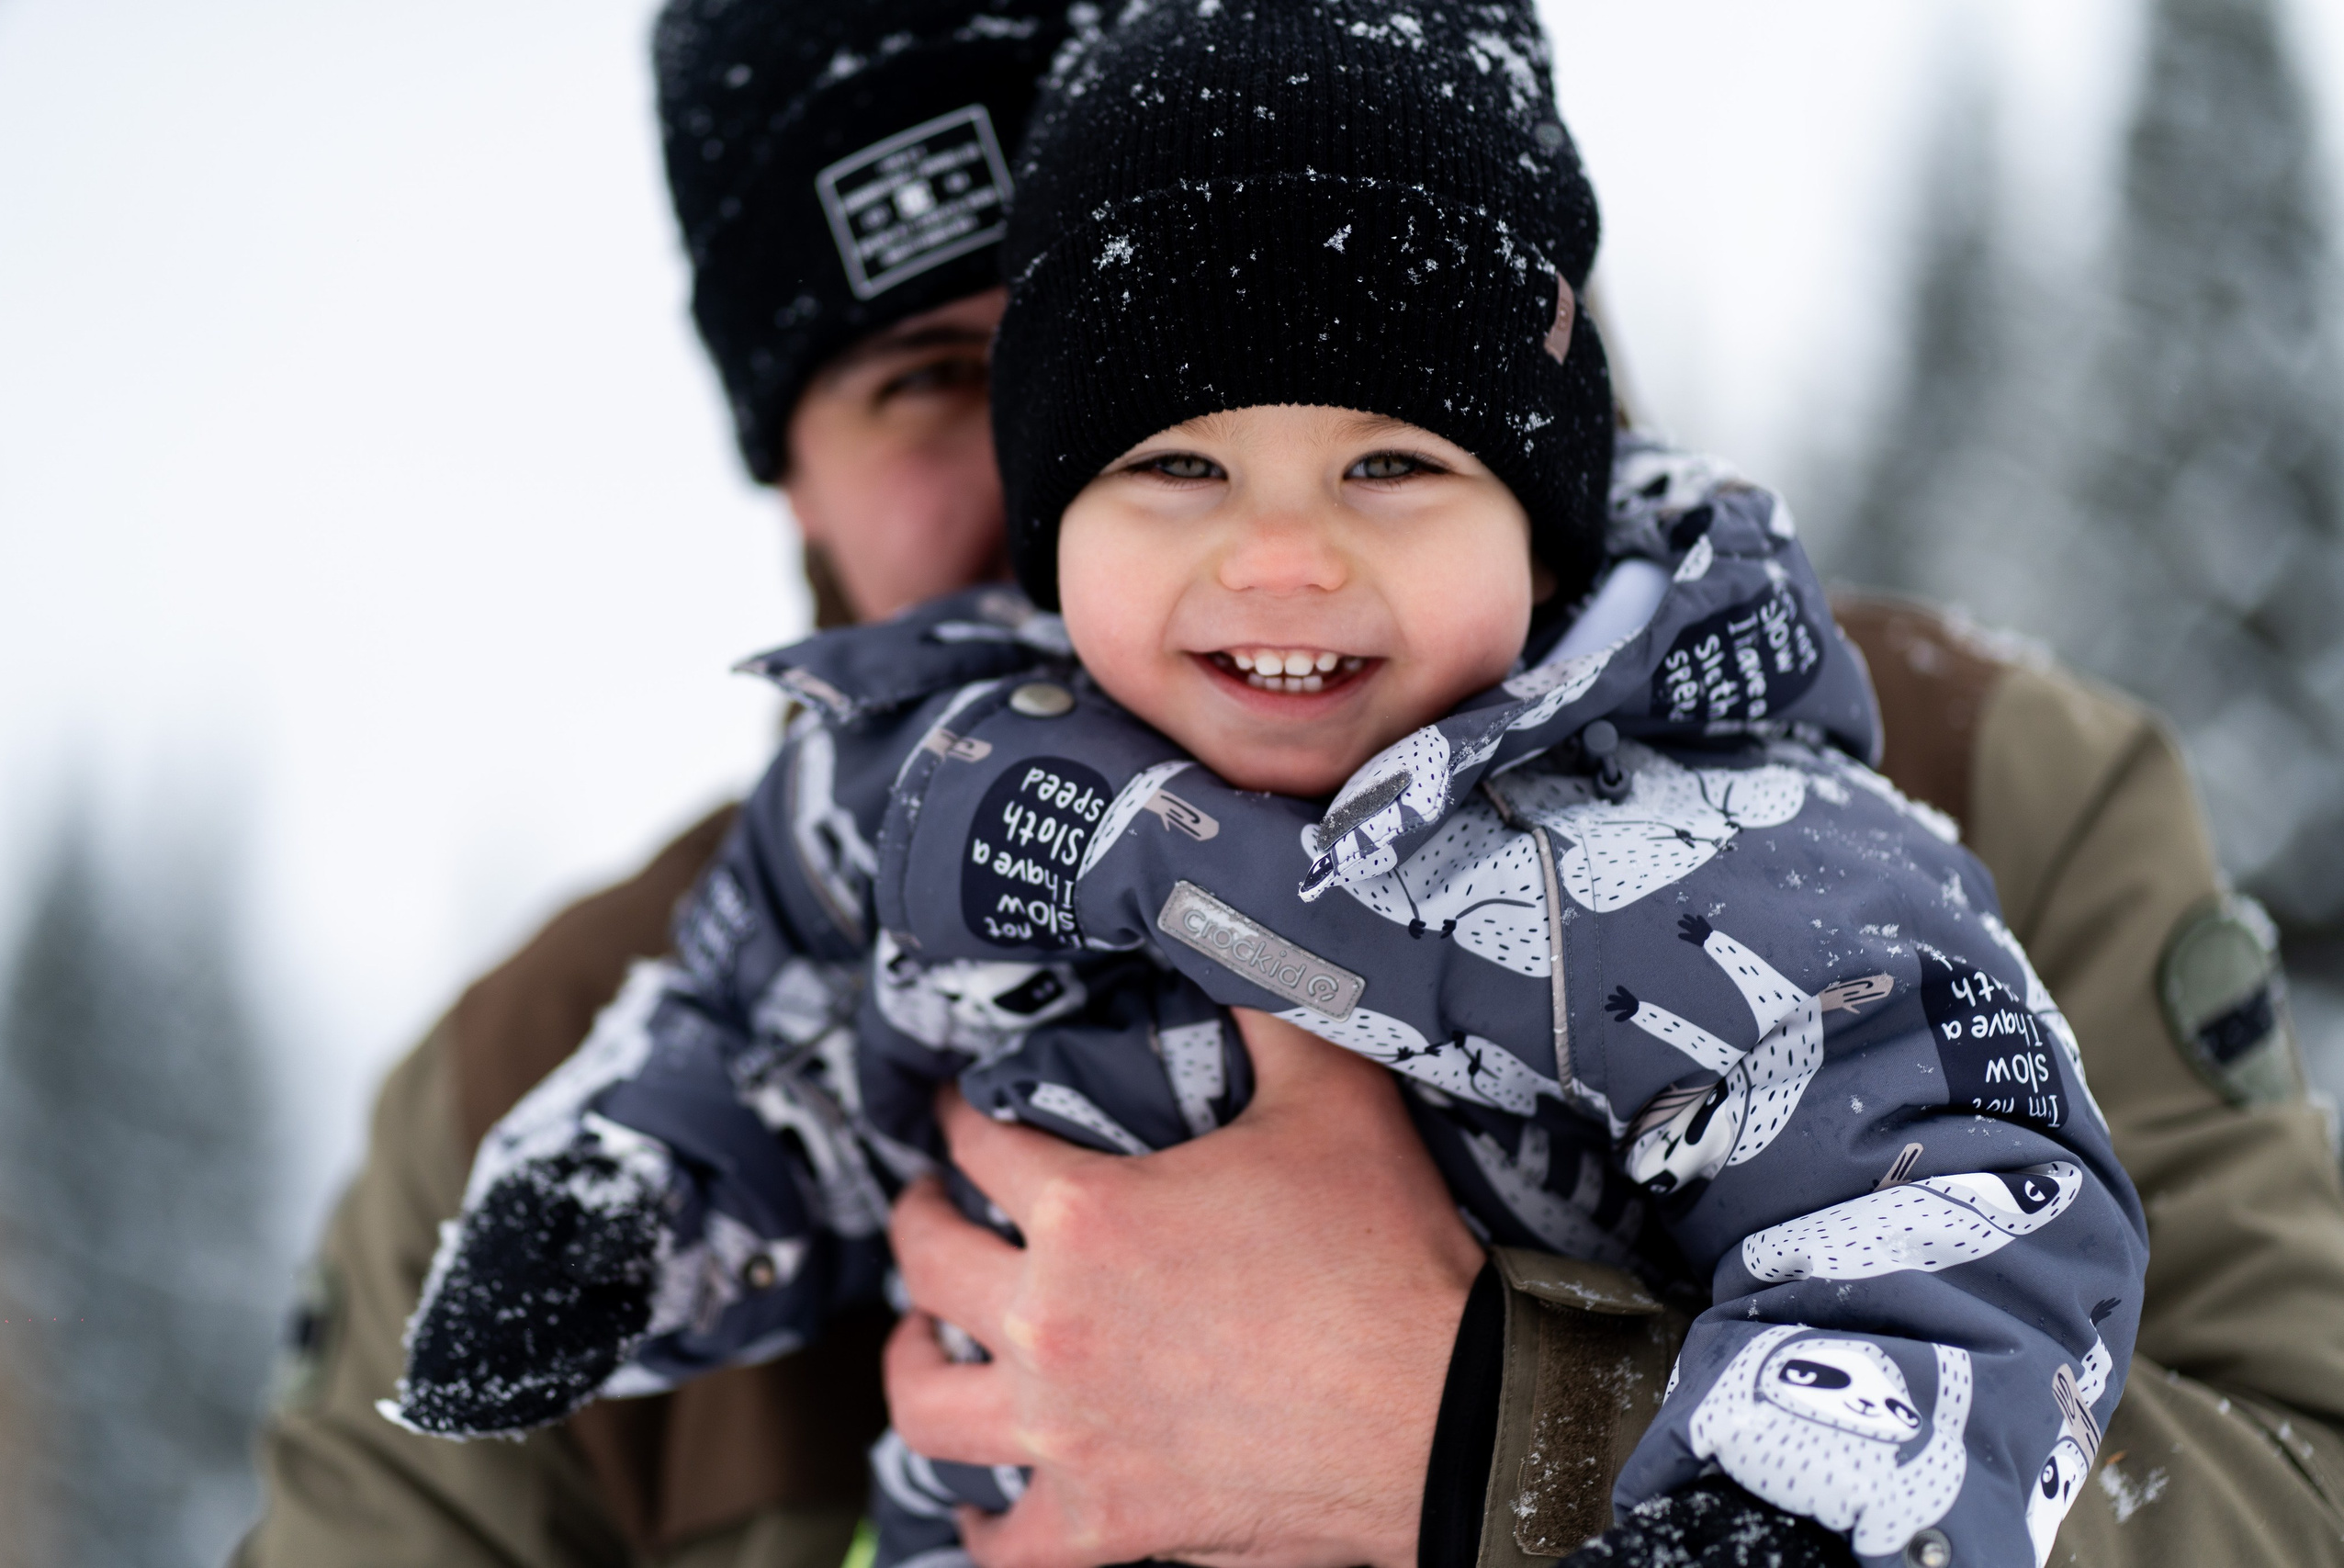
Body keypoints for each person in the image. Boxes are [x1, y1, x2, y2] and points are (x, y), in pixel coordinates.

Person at [232, 3, 2344, 1566]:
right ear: (776, 464)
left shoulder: (1912, 808)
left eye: (1330, 419)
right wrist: (627, 1206)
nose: (1238, 549)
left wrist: (1473, 1420)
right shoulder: (614, 1004)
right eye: (934, 384)